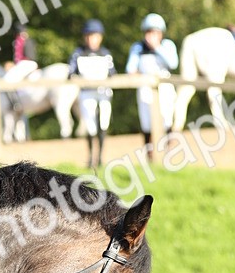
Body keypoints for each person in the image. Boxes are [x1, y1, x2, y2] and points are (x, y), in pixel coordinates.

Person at [126, 13, 179, 158]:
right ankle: (150, 155)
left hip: (165, 88)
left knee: (167, 119)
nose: (151, 35)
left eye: (155, 32)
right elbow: (130, 68)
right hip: (144, 89)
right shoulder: (138, 47)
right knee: (146, 122)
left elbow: (173, 63)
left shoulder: (167, 45)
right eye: (149, 32)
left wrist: (157, 47)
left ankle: (168, 153)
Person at [67, 19, 116, 169]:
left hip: (103, 92)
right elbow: (70, 72)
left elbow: (113, 73)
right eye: (89, 35)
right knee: (90, 126)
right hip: (87, 93)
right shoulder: (78, 53)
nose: (92, 39)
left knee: (103, 123)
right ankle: (90, 157)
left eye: (95, 36)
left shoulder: (105, 54)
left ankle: (100, 157)